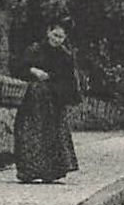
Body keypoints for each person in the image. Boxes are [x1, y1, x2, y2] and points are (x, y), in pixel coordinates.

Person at [14, 19, 82, 183]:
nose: (57, 39)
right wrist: (33, 70)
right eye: (55, 35)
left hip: (54, 102)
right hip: (33, 102)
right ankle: (28, 171)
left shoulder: (65, 56)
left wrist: (61, 91)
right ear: (48, 32)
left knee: (53, 135)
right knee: (29, 133)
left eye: (61, 37)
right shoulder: (34, 50)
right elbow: (18, 68)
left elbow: (70, 81)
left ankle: (50, 172)